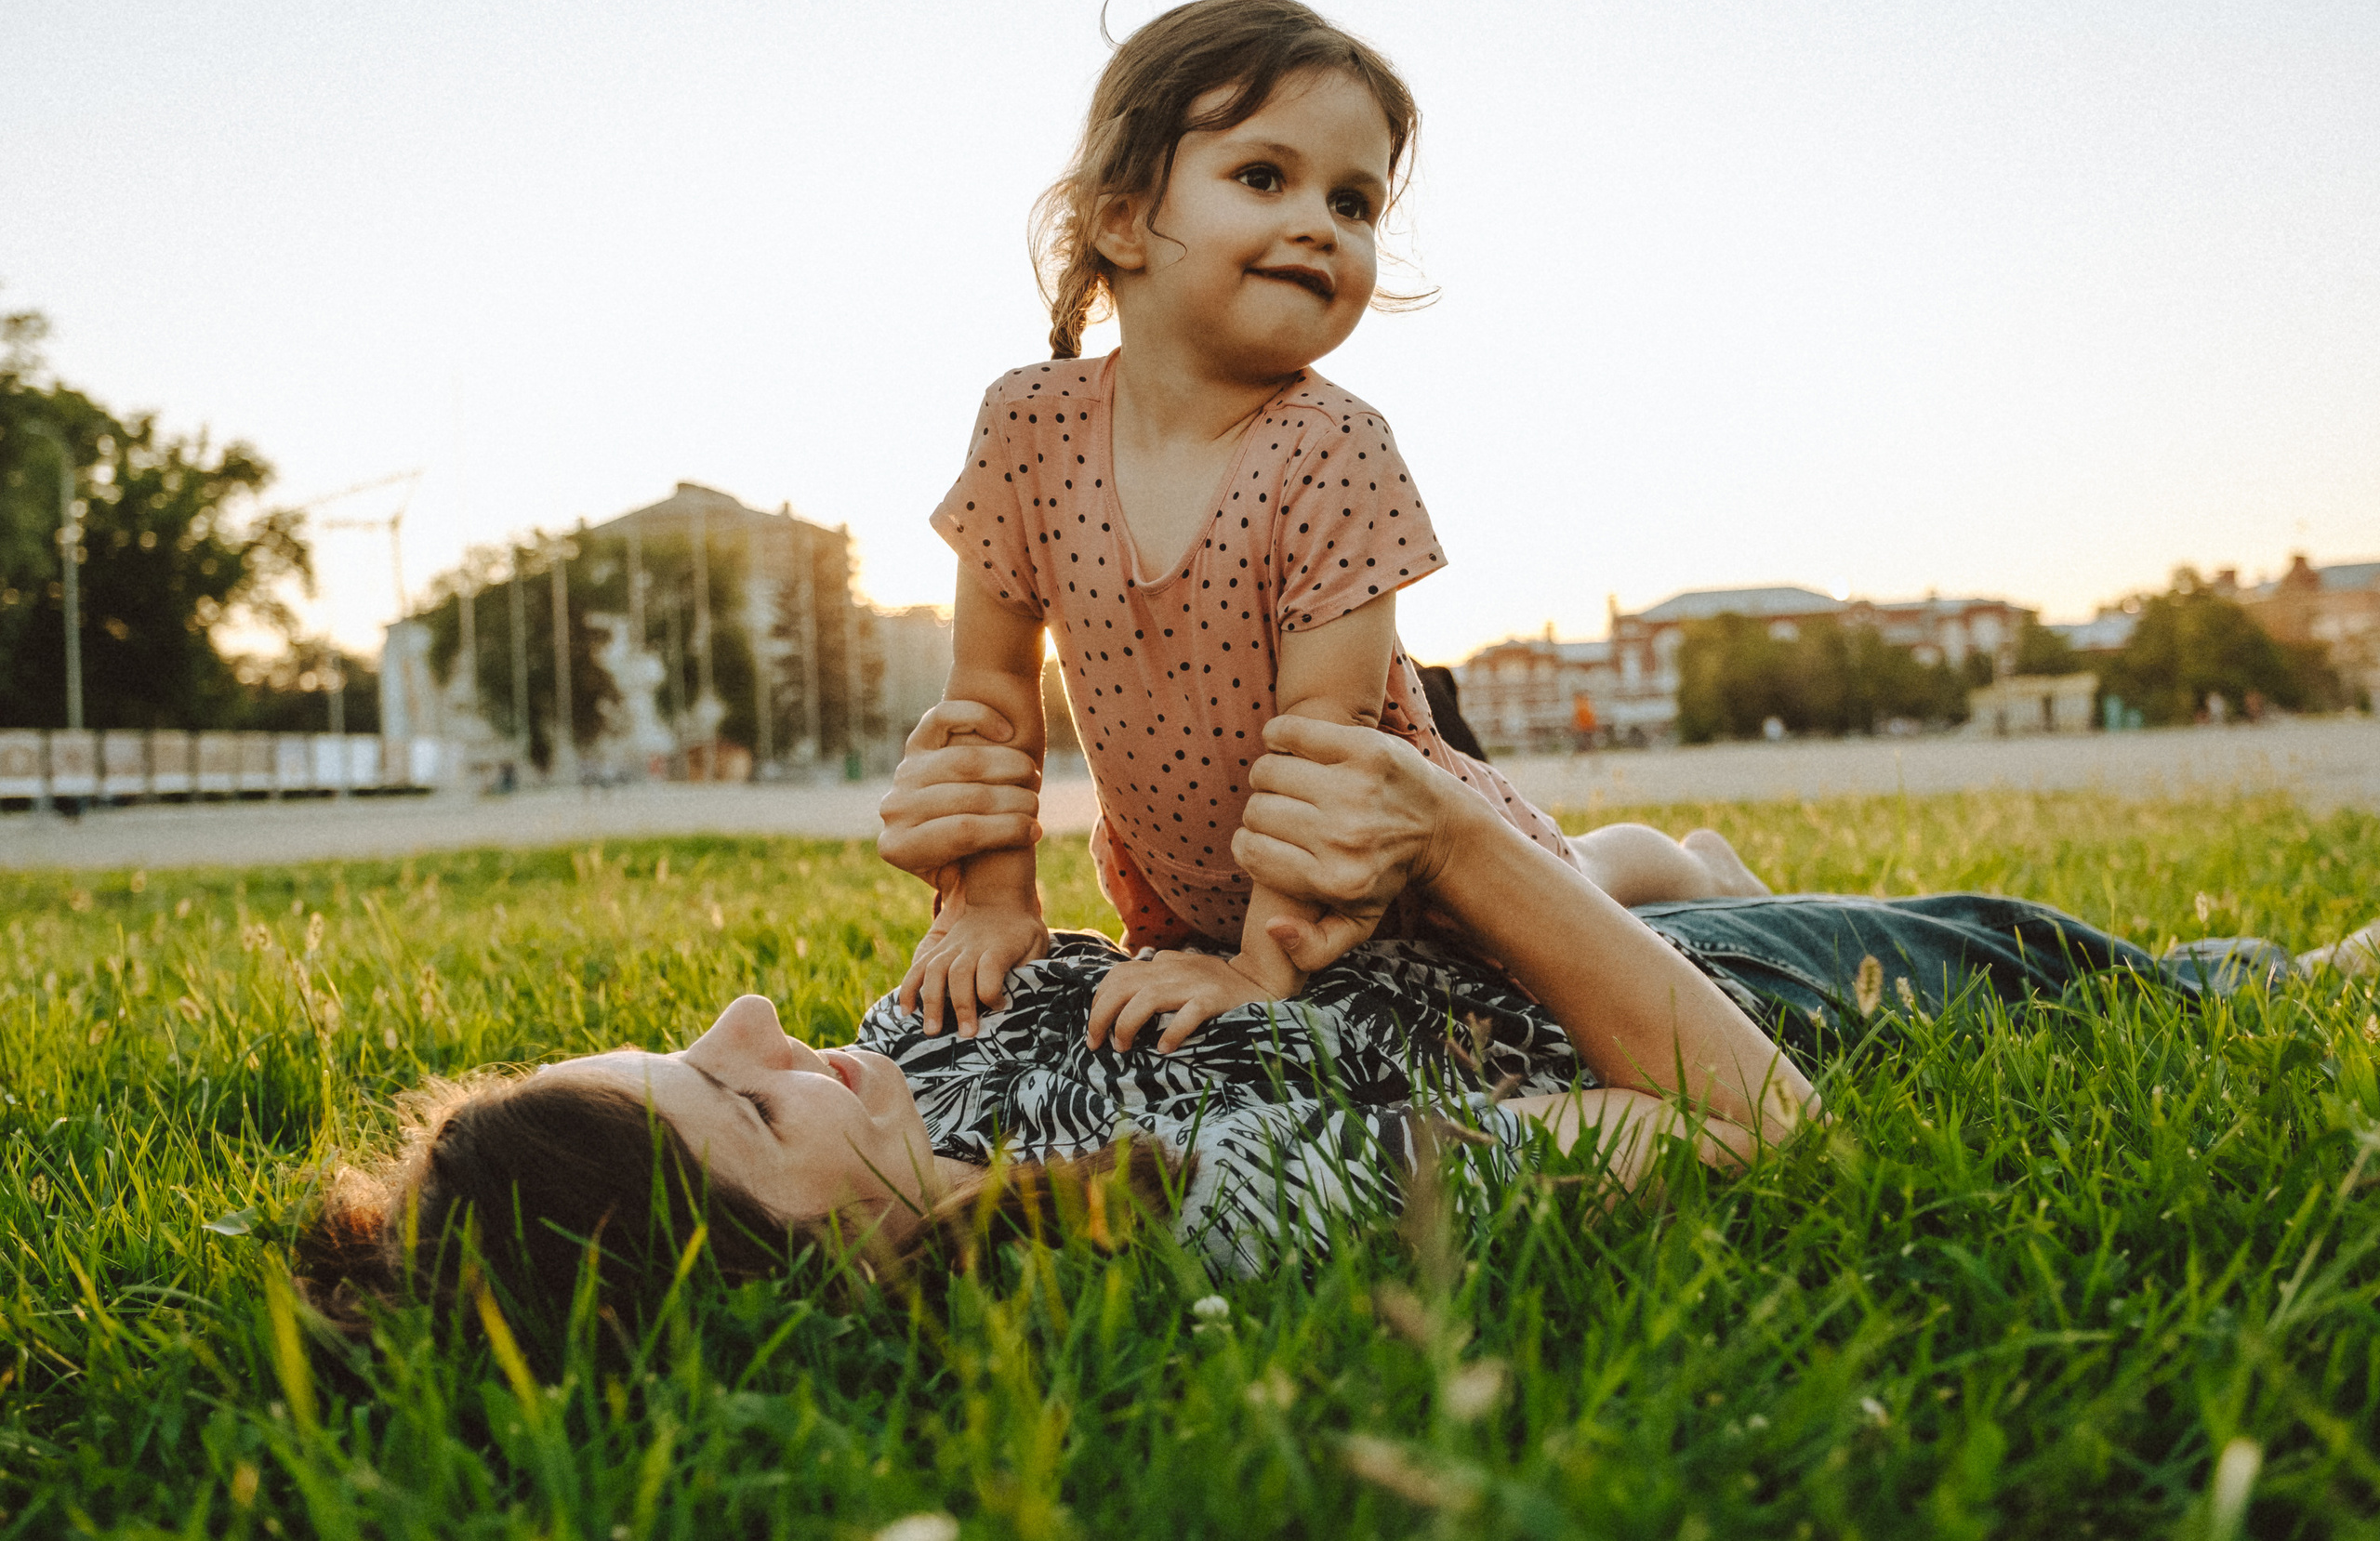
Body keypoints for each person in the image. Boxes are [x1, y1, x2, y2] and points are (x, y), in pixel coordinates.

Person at [298, 705, 2376, 1342]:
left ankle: (1665, 862)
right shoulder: (1174, 1209)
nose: (752, 1015)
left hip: (1398, 954)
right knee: (2022, 953)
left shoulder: (904, 1085)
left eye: (694, 1041)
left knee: (1656, 845)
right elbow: (1754, 1129)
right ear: (820, 1259)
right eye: (728, 1105)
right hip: (1614, 1010)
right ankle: (2282, 975)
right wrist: (1477, 861)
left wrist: (988, 872)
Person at [903, 0, 1763, 1048]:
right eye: (1263, 177)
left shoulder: (1332, 448)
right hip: (1186, 878)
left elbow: (1329, 747)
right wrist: (991, 898)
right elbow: (988, 698)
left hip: (1388, 865)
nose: (1319, 222)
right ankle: (1671, 859)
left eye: (1354, 203)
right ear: (1120, 218)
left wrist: (1263, 967)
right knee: (1575, 858)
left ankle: (1692, 867)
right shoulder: (1028, 425)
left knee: (1574, 871)